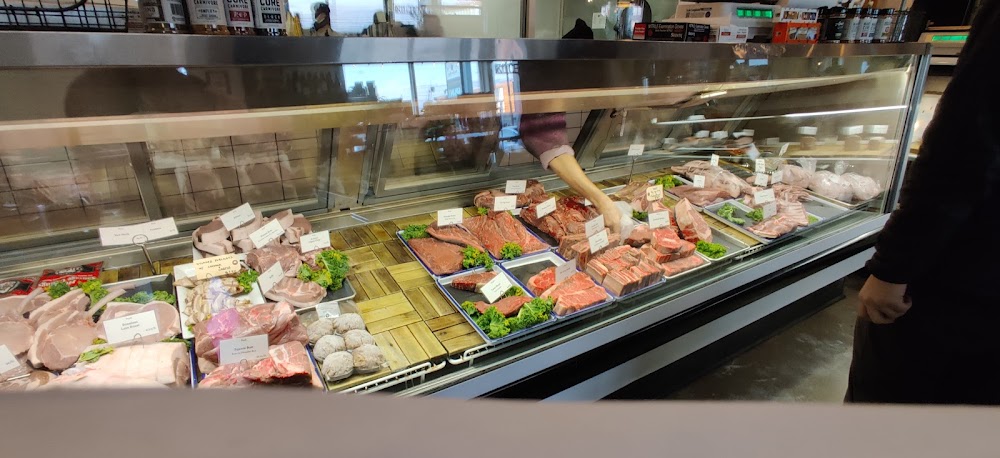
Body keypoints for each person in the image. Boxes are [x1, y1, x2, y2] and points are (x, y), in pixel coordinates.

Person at [846, 2, 1000, 405]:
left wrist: (892, 268)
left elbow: (963, 151)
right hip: (978, 281)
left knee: (889, 408)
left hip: (959, 282)